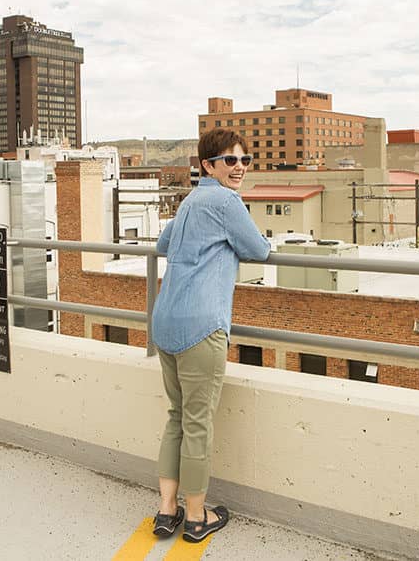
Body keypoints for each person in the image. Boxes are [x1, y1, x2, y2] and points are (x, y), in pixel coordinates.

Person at [149, 128, 271, 543]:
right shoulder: (224, 199)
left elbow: (163, 244)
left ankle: (167, 511)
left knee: (177, 417)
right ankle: (198, 517)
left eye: (244, 160)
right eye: (229, 161)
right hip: (201, 327)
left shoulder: (189, 201)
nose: (239, 168)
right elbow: (258, 248)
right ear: (208, 165)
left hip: (165, 320)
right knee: (198, 423)